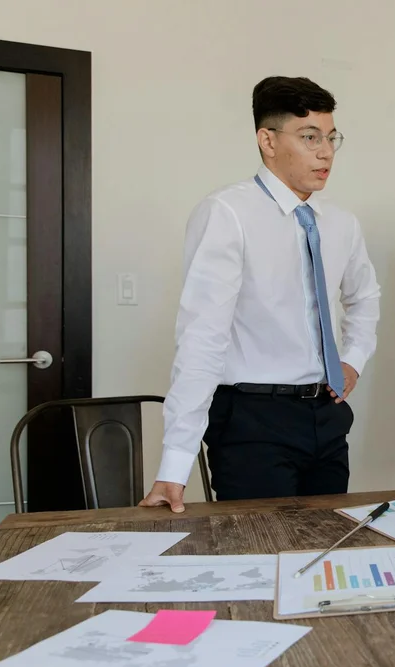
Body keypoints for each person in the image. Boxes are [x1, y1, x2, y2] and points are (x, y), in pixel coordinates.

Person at [140, 76, 381, 512]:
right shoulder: (227, 213)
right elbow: (202, 338)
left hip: (325, 419)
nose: (325, 152)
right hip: (252, 422)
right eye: (309, 137)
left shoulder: (340, 223)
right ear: (267, 141)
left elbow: (365, 296)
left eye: (330, 138)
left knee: (325, 552)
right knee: (259, 556)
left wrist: (354, 358)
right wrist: (174, 467)